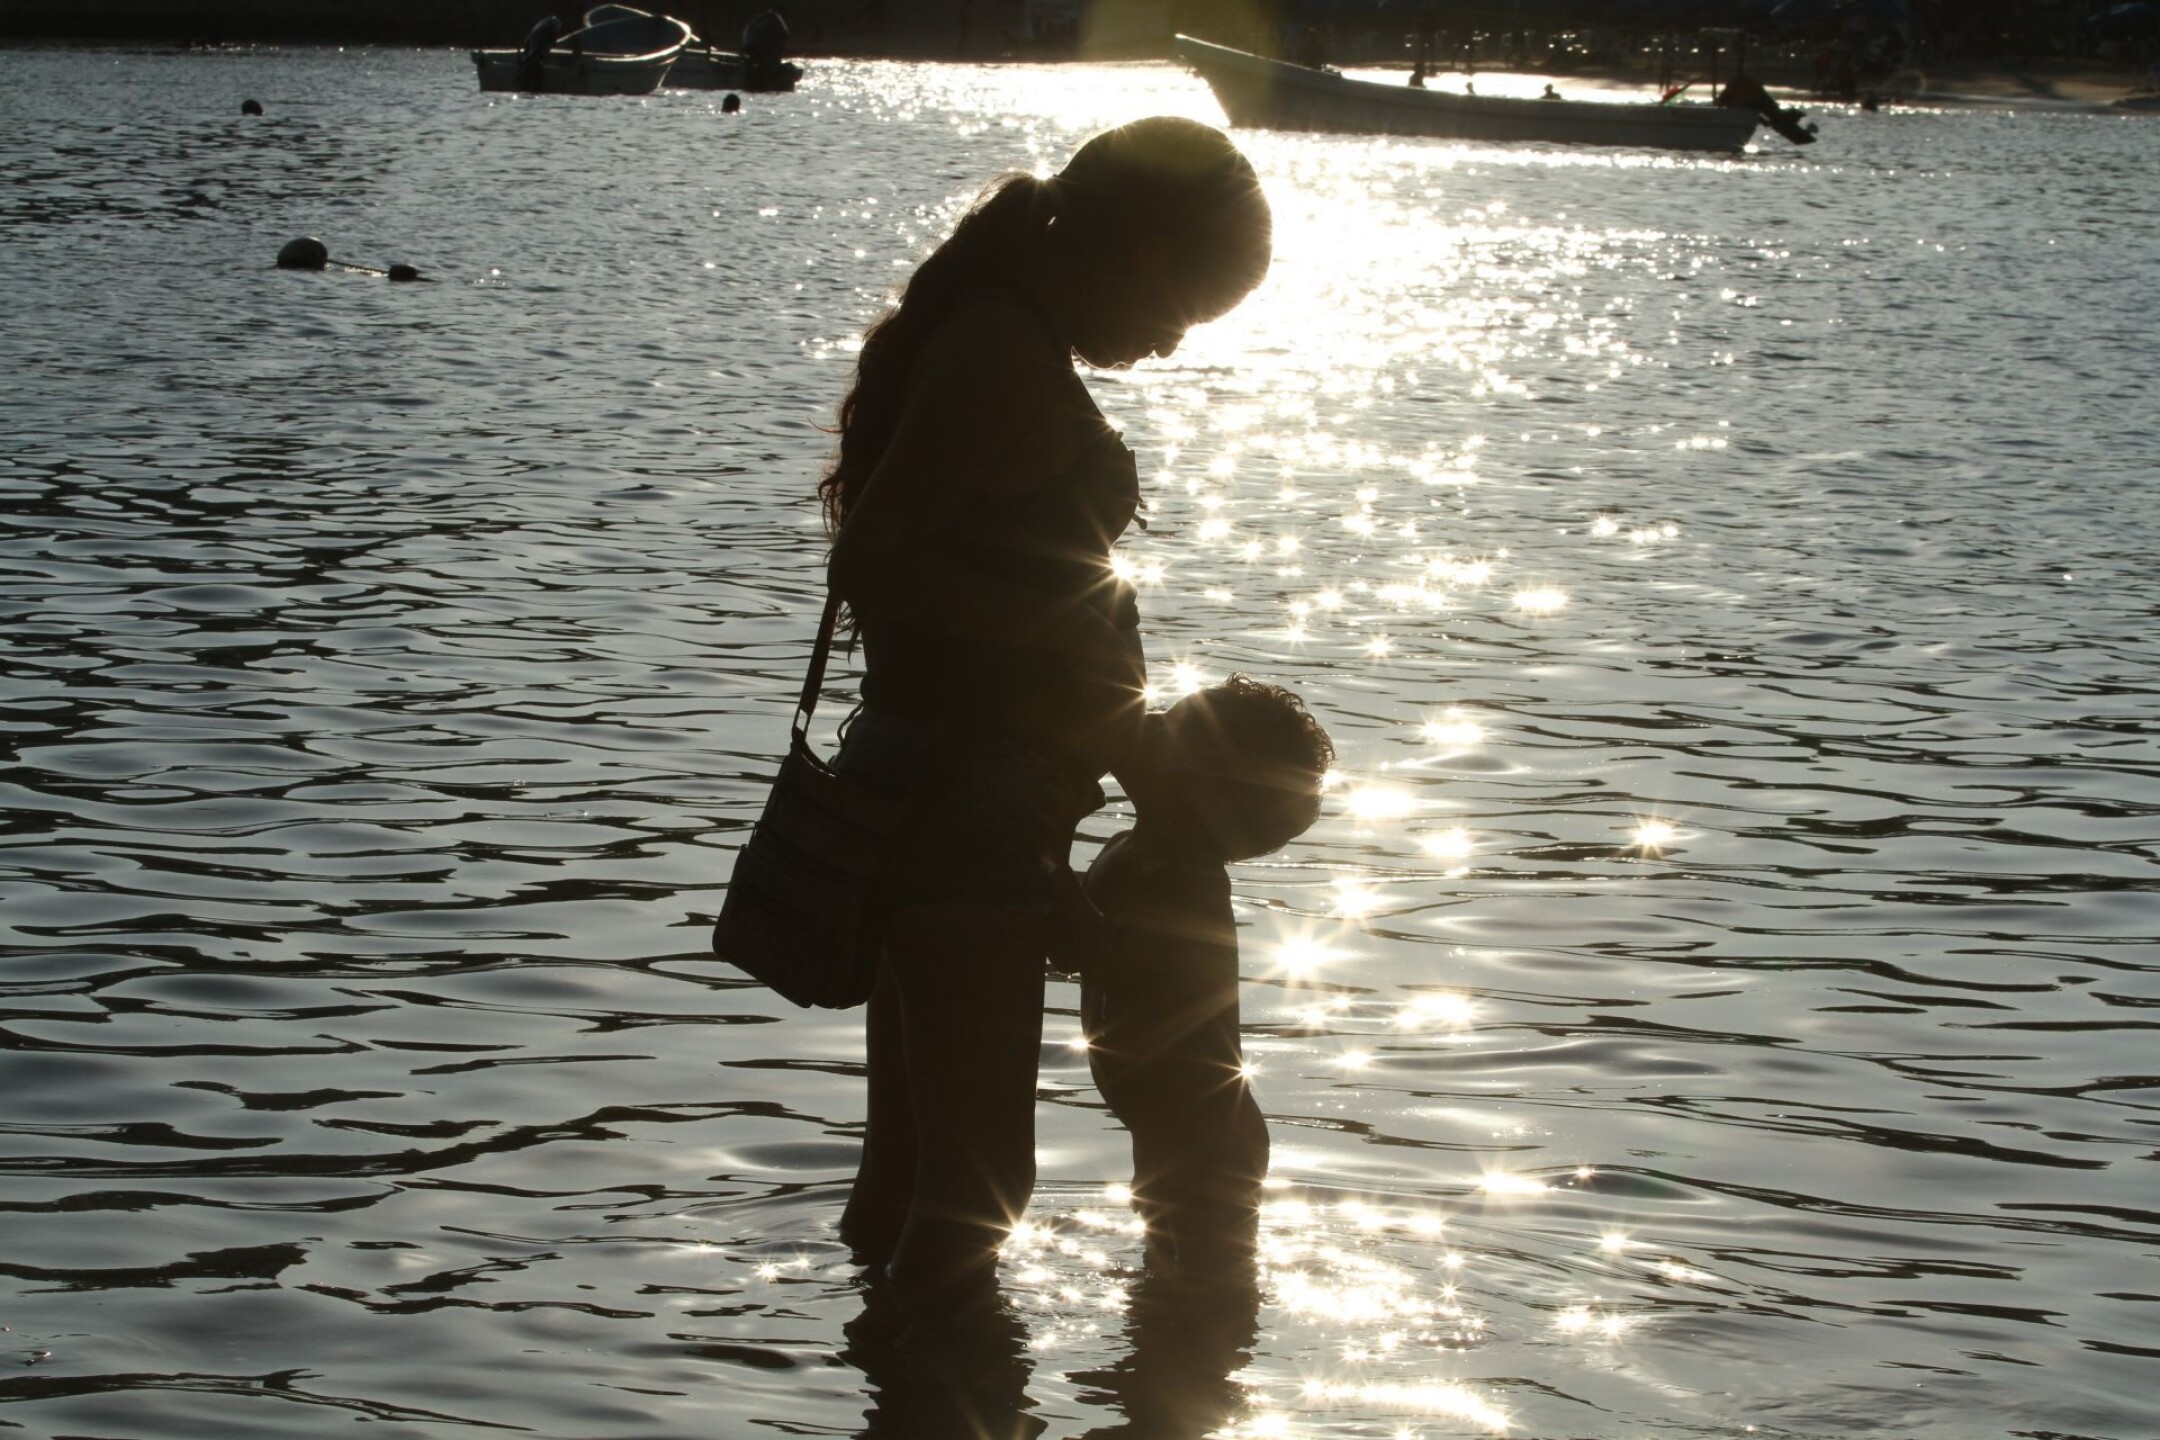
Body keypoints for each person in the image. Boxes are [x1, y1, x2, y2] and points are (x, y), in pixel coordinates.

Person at [821, 117, 1273, 1303]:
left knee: (911, 1176)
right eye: (1186, 307)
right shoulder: (999, 352)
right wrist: (1068, 640)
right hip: (957, 804)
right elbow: (873, 561)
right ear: (1134, 250)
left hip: (953, 793)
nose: (1175, 345)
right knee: (978, 1197)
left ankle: (879, 1386)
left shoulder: (995, 332)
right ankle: (931, 1394)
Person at [1071, 675, 1333, 1279]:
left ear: (1204, 788)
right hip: (1176, 1125)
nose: (1149, 724)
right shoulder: (1138, 850)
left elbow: (1084, 947)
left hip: (1207, 1135)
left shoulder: (1182, 879)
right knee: (1173, 1284)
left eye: (1169, 728)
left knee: (1213, 1286)